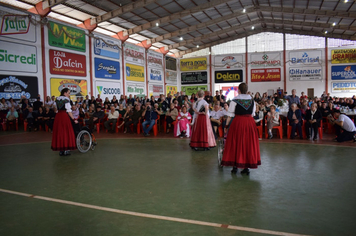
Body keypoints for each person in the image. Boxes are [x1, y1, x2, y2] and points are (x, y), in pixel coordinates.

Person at [221, 83, 260, 175]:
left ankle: (235, 166)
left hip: (238, 122)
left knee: (235, 143)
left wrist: (226, 126)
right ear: (247, 90)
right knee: (248, 144)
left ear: (238, 90)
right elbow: (253, 114)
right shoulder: (252, 100)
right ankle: (246, 167)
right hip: (250, 123)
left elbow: (230, 115)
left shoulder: (235, 100)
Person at [51, 88, 77, 156]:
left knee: (59, 132)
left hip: (58, 117)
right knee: (66, 132)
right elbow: (69, 111)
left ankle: (61, 150)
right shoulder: (66, 99)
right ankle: (66, 150)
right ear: (64, 93)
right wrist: (74, 119)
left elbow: (55, 110)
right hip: (64, 117)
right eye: (68, 93)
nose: (69, 94)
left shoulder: (57, 99)